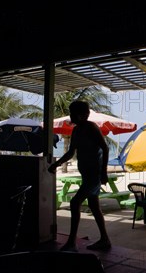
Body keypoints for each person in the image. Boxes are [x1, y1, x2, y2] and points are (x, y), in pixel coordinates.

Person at [48, 100, 112, 252]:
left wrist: (103, 172)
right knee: (94, 207)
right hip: (87, 175)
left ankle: (71, 242)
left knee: (75, 203)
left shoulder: (91, 127)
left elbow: (105, 148)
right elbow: (71, 152)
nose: (71, 116)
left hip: (93, 174)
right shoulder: (76, 130)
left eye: (72, 113)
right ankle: (105, 239)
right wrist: (57, 164)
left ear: (83, 114)